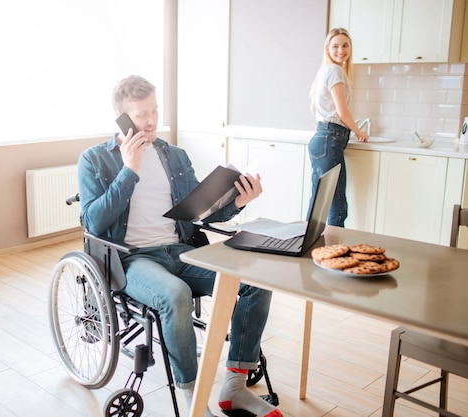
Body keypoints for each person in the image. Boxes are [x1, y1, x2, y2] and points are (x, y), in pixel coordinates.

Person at [78, 75, 282, 417]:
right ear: (121, 116)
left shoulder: (174, 156)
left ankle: (234, 387)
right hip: (132, 260)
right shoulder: (95, 160)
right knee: (175, 295)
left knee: (255, 281)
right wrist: (129, 170)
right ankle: (194, 400)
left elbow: (202, 210)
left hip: (181, 250)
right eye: (141, 114)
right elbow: (94, 223)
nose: (152, 120)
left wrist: (239, 201)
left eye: (155, 110)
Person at [308, 27, 369, 227]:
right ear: (328, 48)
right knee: (338, 207)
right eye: (335, 46)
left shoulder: (325, 70)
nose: (340, 50)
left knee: (318, 204)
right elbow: (342, 112)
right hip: (330, 139)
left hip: (320, 138)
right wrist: (359, 132)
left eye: (345, 45)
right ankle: (336, 254)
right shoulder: (335, 71)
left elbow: (314, 108)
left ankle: (303, 246)